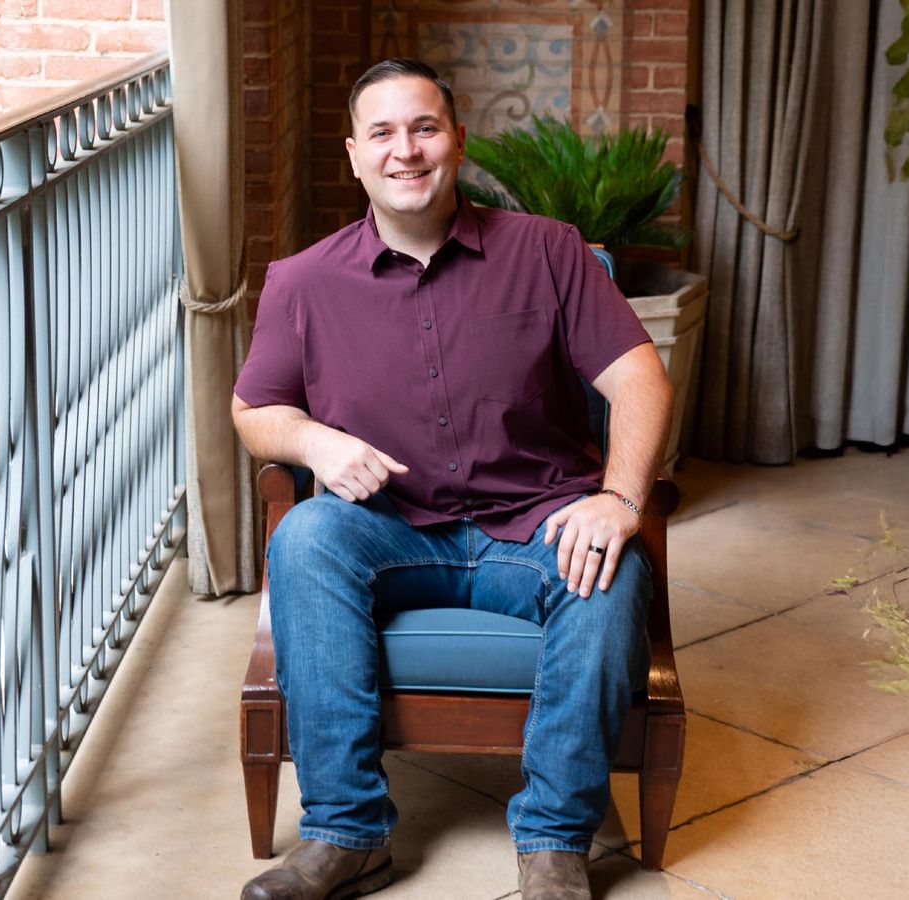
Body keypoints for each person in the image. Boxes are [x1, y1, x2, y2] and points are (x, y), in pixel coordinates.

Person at [230, 57, 674, 900]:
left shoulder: (548, 252)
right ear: (354, 155)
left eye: (425, 128)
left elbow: (641, 378)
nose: (407, 151)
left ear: (458, 142)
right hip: (387, 527)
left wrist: (618, 501)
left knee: (611, 577)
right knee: (306, 535)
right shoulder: (303, 282)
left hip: (538, 523)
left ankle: (552, 843)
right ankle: (348, 835)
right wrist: (318, 443)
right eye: (384, 133)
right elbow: (254, 410)